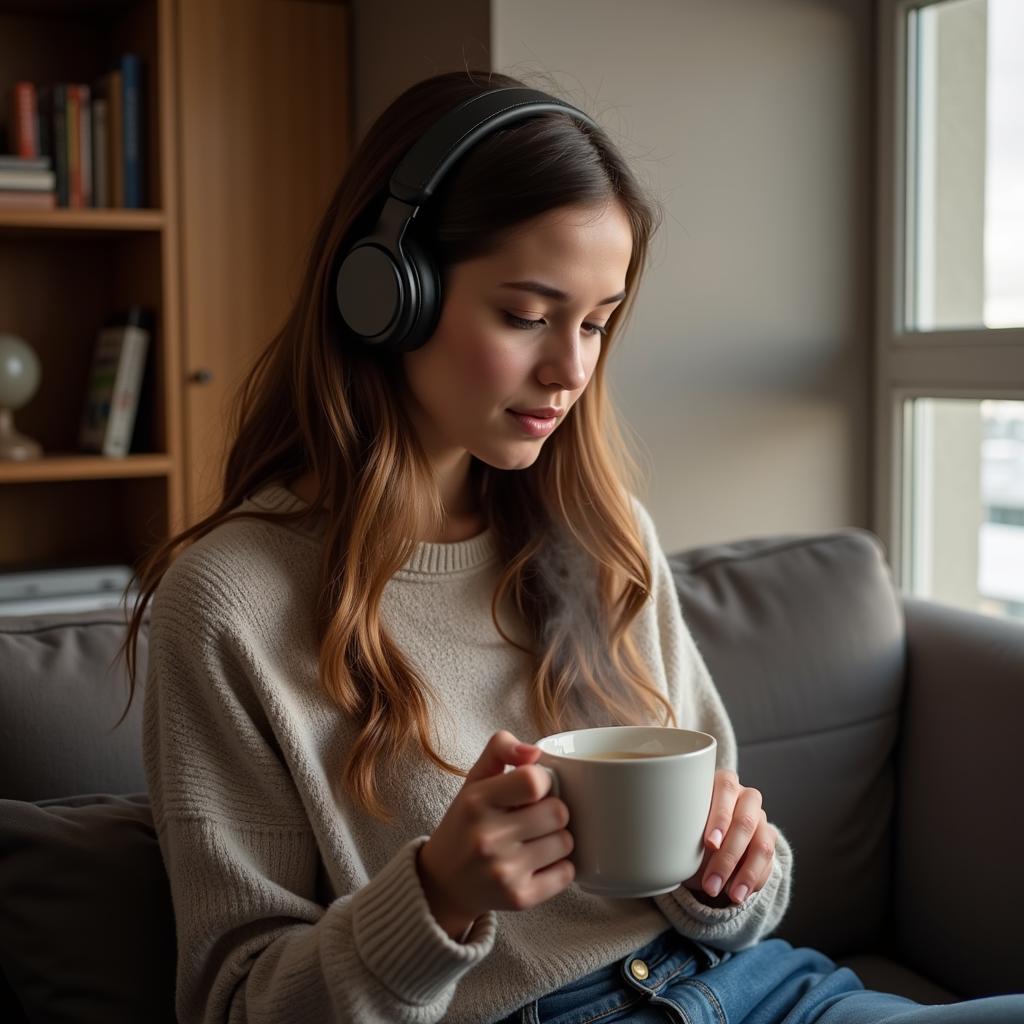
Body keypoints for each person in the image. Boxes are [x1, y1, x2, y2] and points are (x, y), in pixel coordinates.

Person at [119, 70, 1024, 1024]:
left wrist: (732, 870)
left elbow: (736, 881)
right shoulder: (230, 603)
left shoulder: (605, 534)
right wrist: (435, 897)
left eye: (597, 323)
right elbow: (232, 1004)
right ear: (387, 293)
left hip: (760, 993)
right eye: (526, 316)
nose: (571, 370)